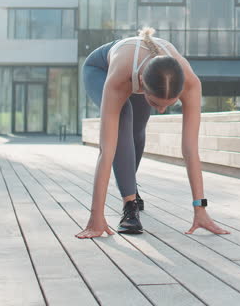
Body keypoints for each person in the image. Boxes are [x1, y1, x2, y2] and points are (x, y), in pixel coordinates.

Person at [75, 27, 229, 238]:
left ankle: (131, 188)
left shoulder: (191, 83)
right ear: (143, 86)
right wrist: (96, 217)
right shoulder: (120, 79)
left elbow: (190, 150)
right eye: (156, 103)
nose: (162, 110)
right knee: (124, 117)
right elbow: (106, 151)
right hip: (100, 69)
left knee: (138, 131)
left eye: (170, 105)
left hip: (142, 71)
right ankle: (130, 205)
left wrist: (200, 209)